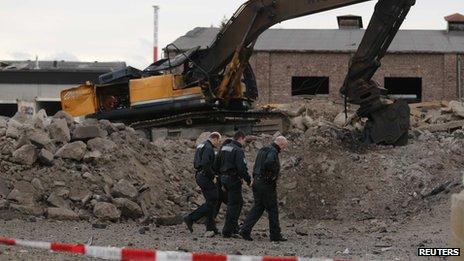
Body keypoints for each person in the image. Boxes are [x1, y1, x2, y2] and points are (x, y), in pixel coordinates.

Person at [239, 136, 289, 242]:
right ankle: (275, 235)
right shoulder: (273, 151)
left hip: (257, 182)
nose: (283, 149)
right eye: (284, 146)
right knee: (273, 210)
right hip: (266, 184)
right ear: (281, 144)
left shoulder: (262, 150)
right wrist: (272, 176)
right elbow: (269, 163)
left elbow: (257, 166)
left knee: (258, 207)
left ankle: (245, 230)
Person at [215, 131, 251, 238]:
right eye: (244, 140)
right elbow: (242, 168)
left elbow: (216, 164)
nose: (244, 143)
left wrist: (220, 178)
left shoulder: (224, 147)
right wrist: (248, 180)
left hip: (223, 179)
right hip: (233, 179)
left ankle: (233, 227)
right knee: (234, 204)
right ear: (241, 138)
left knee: (235, 203)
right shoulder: (238, 150)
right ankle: (228, 230)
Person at [184, 132, 222, 234]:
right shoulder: (209, 148)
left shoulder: (201, 145)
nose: (218, 143)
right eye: (218, 141)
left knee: (211, 200)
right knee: (214, 199)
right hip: (205, 176)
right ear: (215, 138)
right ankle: (191, 218)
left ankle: (210, 227)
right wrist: (212, 176)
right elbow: (205, 163)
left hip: (200, 175)